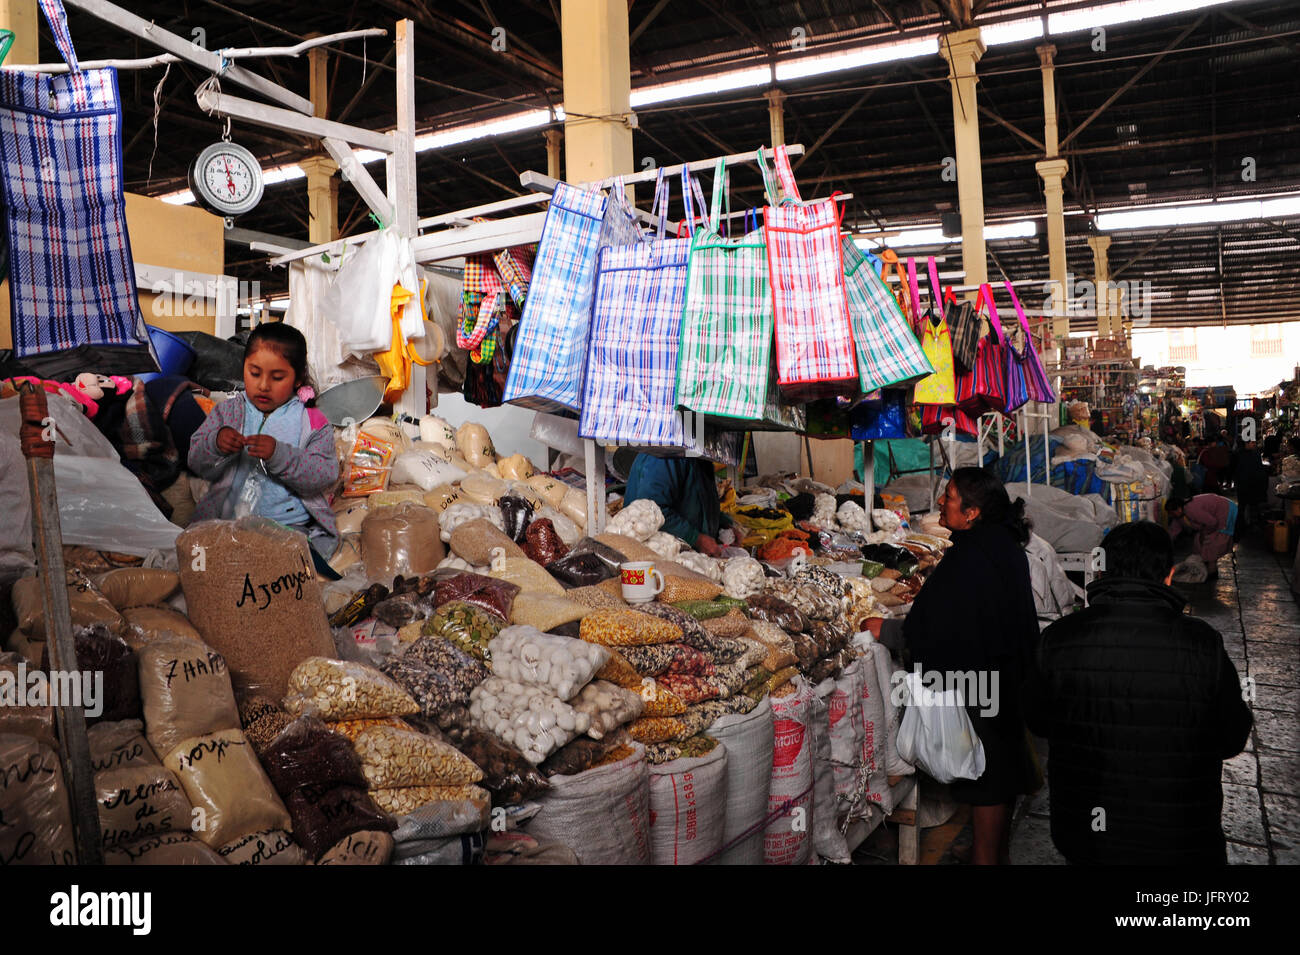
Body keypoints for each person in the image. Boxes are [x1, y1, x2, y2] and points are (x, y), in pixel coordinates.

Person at [1022, 521, 1252, 865]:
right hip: (1179, 834)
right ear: (1168, 575)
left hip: (1087, 831)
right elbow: (1231, 738)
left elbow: (1038, 721)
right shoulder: (1202, 644)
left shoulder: (1059, 638)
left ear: (1101, 570)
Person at [867, 468, 1040, 865]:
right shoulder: (999, 544)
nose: (942, 502)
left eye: (949, 496)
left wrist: (891, 633)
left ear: (973, 511)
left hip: (984, 687)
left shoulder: (973, 556)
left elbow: (938, 626)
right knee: (998, 782)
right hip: (1004, 682)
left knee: (988, 785)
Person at [189, 323, 340, 559]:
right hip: (225, 524)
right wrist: (215, 444)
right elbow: (195, 460)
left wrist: (279, 454)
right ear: (243, 369)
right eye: (254, 373)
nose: (263, 385)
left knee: (281, 574)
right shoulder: (228, 412)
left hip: (289, 530)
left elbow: (323, 474)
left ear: (298, 379)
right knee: (205, 569)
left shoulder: (311, 421)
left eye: (277, 377)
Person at [622, 453, 728, 556]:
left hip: (686, 556)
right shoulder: (665, 456)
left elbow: (698, 501)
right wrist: (696, 539)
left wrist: (724, 525)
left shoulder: (696, 458)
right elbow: (652, 510)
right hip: (658, 555)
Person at [1165, 493, 1235, 578]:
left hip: (1225, 512)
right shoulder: (1179, 515)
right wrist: (1165, 543)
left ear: (1179, 509)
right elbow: (1174, 530)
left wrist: (1204, 533)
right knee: (1198, 542)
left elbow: (1212, 522)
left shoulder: (1191, 509)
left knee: (1211, 542)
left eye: (1172, 513)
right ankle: (1206, 566)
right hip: (1211, 522)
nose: (1171, 515)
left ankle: (1211, 571)